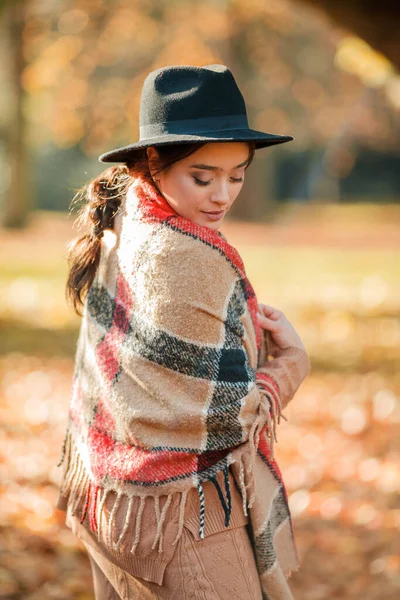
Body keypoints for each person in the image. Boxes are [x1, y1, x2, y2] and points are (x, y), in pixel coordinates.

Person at [55, 64, 311, 600]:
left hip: (114, 496)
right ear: (154, 161)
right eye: (203, 176)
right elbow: (221, 415)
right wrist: (287, 366)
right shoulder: (187, 256)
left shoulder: (127, 215)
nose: (222, 195)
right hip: (182, 513)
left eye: (236, 175)